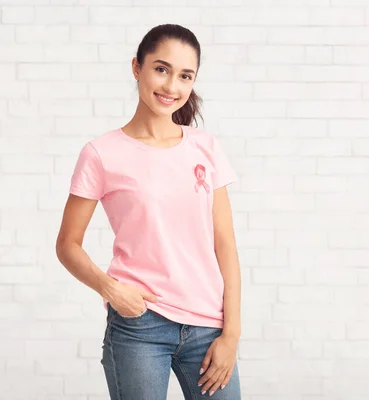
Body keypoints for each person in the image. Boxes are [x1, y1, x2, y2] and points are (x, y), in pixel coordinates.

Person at [55, 24, 242, 399]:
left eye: (185, 76)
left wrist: (231, 335)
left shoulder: (204, 147)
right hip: (140, 326)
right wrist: (110, 289)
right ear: (136, 68)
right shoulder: (102, 153)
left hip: (208, 326)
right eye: (161, 69)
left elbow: (225, 245)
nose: (172, 86)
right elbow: (67, 245)